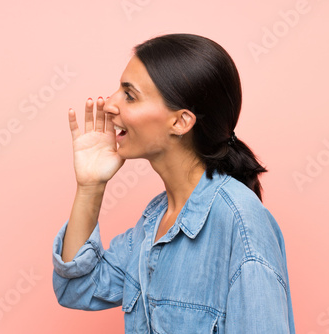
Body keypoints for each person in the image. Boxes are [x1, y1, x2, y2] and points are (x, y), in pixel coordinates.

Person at [52, 33, 295, 333]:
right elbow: (78, 287)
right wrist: (90, 186)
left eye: (129, 95)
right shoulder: (154, 221)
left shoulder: (242, 223)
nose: (109, 104)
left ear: (181, 122)